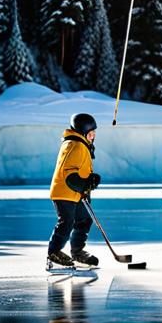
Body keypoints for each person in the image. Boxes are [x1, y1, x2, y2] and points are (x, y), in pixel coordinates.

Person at [47, 113, 102, 271]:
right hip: (64, 192)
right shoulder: (75, 145)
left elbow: (80, 170)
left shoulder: (80, 144)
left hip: (74, 193)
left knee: (84, 220)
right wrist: (85, 183)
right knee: (67, 222)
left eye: (94, 134)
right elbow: (70, 174)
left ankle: (77, 251)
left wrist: (89, 181)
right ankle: (54, 252)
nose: (93, 137)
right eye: (91, 134)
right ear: (83, 132)